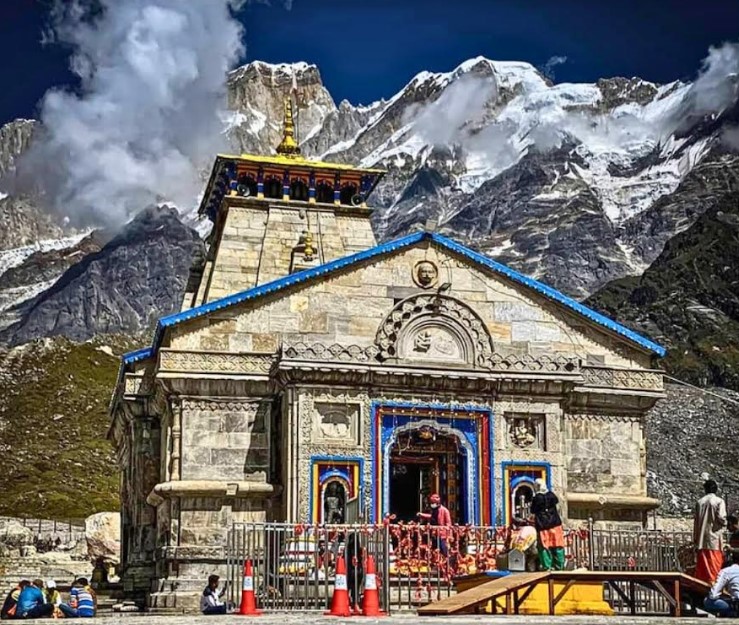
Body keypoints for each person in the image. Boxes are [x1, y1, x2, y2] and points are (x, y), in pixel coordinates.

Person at [694, 479, 727, 583]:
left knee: (703, 566)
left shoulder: (699, 502)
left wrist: (695, 538)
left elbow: (696, 522)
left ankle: (702, 585)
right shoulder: (719, 501)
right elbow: (721, 518)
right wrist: (727, 522)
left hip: (701, 539)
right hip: (714, 538)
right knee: (714, 565)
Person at [530, 478, 565, 571]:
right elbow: (556, 501)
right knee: (557, 545)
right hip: (555, 524)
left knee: (544, 547)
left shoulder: (537, 498)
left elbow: (532, 510)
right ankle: (559, 566)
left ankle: (547, 566)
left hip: (543, 525)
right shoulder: (552, 495)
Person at [704, 551, 739, 617]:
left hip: (736, 605)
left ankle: (732, 612)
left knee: (708, 601)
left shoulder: (726, 571)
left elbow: (713, 595)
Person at [344, 530, 364, 612]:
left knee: (349, 588)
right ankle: (355, 604)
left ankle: (348, 603)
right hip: (356, 571)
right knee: (355, 588)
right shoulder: (358, 549)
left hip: (350, 571)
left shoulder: (347, 549)